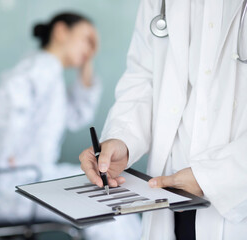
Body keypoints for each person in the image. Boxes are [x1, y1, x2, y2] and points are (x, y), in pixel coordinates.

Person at [0, 12, 142, 240]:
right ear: (60, 32)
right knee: (110, 207)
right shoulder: (41, 68)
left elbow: (76, 116)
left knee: (112, 196)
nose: (91, 49)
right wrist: (4, 150)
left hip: (26, 176)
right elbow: (7, 103)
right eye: (87, 39)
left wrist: (87, 64)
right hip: (8, 185)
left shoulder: (49, 71)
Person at [79, 0, 247, 239]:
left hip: (235, 201)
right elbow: (143, 77)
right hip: (168, 192)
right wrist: (122, 139)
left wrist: (215, 177)